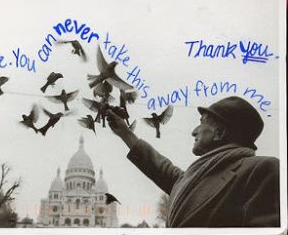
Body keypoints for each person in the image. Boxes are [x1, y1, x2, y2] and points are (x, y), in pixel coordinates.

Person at [106, 96, 280, 227]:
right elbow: (160, 167)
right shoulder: (193, 179)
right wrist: (125, 133)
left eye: (201, 123)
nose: (194, 132)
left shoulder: (263, 169)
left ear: (219, 133)